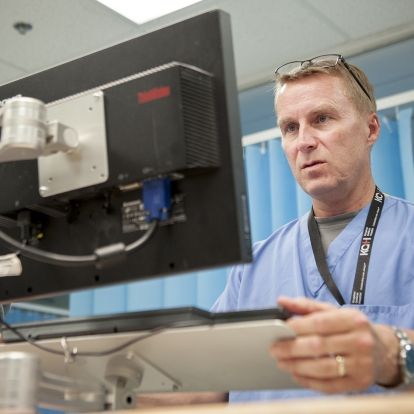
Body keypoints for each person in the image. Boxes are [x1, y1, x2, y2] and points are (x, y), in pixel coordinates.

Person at [140, 54, 414, 406]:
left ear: (371, 129)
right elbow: (209, 384)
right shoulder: (253, 265)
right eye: (290, 127)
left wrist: (393, 351)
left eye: (322, 119)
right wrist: (110, 389)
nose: (304, 141)